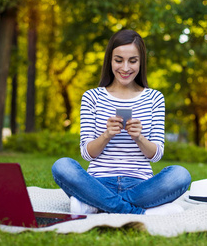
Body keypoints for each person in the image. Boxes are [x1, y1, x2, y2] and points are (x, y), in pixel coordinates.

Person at [52, 29, 191, 215]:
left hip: (141, 185)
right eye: (119, 60)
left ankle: (95, 205)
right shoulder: (92, 97)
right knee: (62, 166)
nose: (125, 68)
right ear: (110, 60)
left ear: (141, 62)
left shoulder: (154, 98)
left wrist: (139, 138)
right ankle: (138, 212)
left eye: (132, 61)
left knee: (180, 175)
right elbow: (87, 154)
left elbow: (156, 155)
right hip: (98, 183)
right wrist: (106, 135)